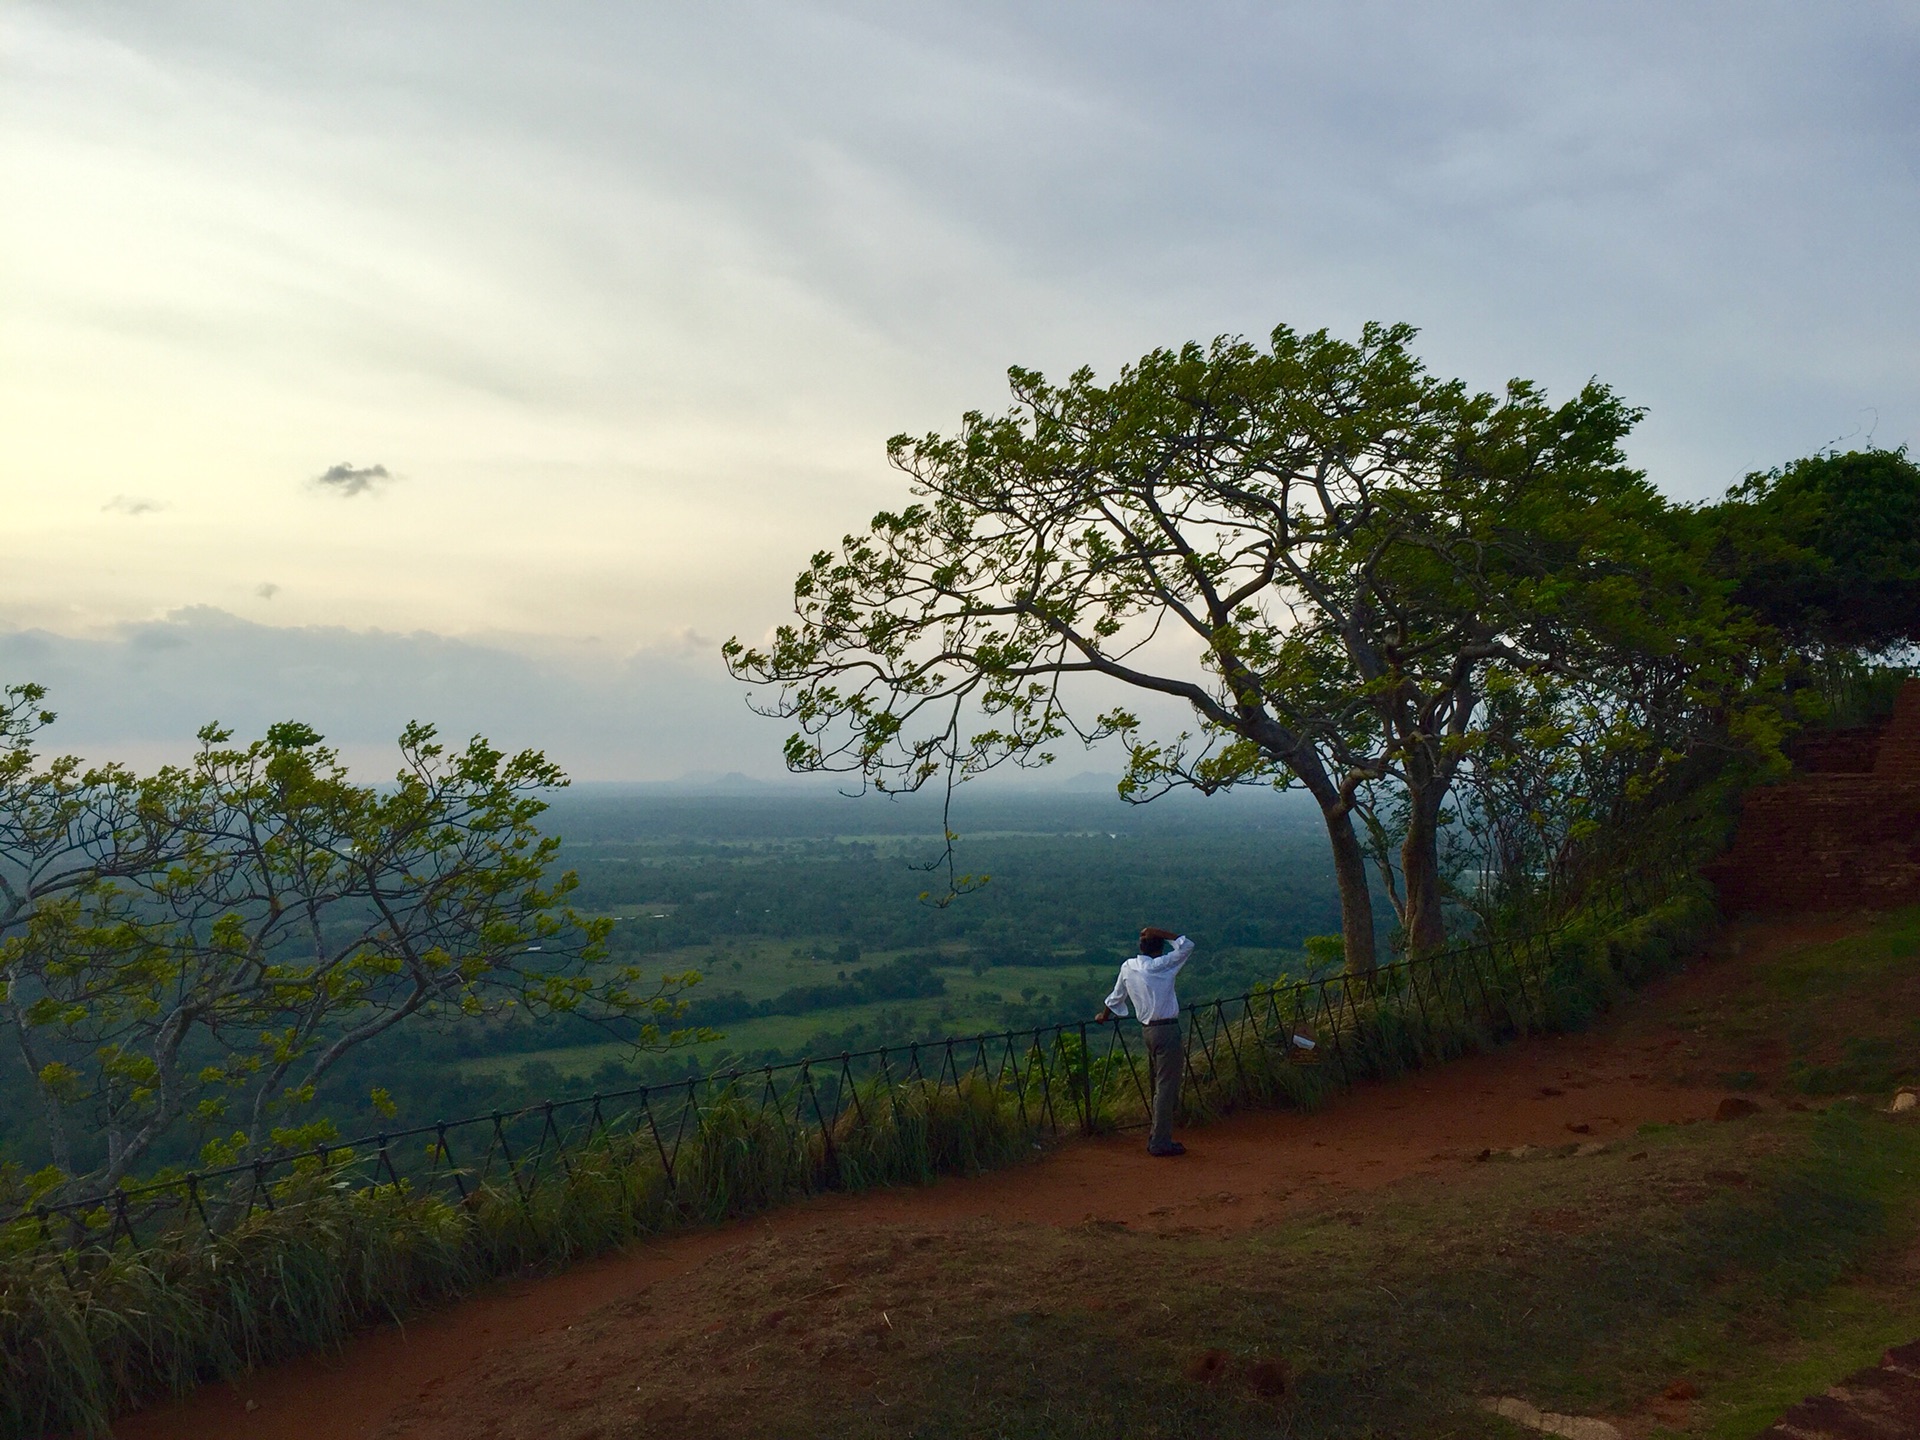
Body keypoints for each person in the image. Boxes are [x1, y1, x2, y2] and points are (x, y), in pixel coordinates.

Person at [1094, 926, 1195, 1157]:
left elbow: (1115, 997)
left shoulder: (1129, 967)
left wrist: (1104, 1017)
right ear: (1159, 948)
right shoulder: (1162, 966)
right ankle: (1160, 1141)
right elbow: (1187, 945)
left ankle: (1157, 1134)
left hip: (1148, 1032)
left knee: (1158, 1085)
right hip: (1167, 1031)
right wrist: (1162, 932)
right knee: (1166, 1087)